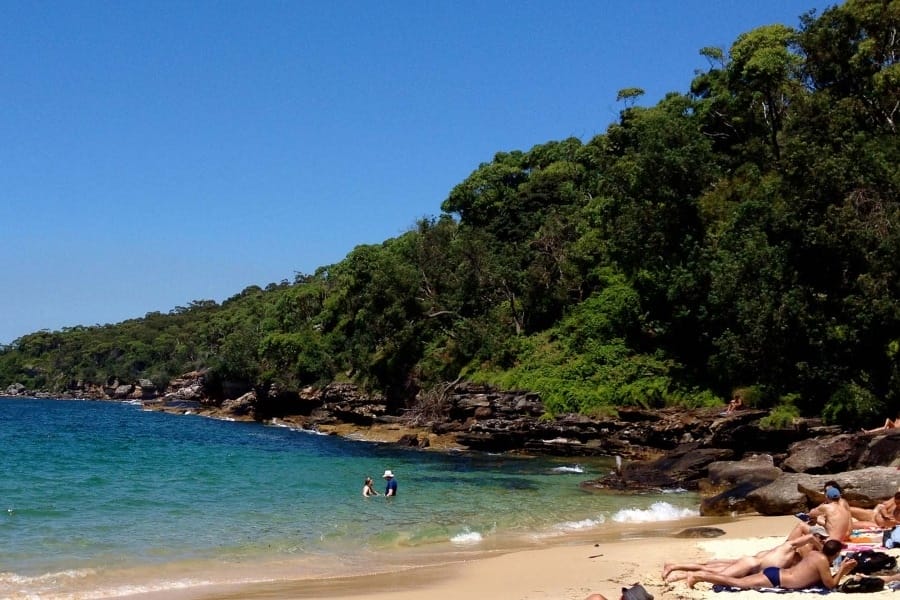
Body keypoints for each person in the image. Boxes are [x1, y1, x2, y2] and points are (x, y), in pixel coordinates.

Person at [662, 528, 826, 582]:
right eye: (822, 539)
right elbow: (811, 536)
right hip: (751, 565)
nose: (823, 541)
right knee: (717, 574)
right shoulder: (792, 545)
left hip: (752, 565)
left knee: (712, 567)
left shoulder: (801, 553)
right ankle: (684, 576)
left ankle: (674, 566)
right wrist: (822, 549)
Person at [684, 539, 856, 591]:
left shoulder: (814, 554)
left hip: (776, 573)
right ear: (834, 554)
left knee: (734, 579)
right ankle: (699, 576)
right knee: (737, 583)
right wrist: (842, 570)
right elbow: (831, 585)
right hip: (777, 579)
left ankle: (696, 575)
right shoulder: (823, 561)